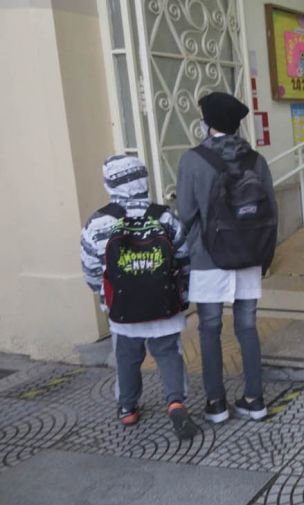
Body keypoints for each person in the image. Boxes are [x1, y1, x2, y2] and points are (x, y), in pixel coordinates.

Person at [80, 155, 198, 440]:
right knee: (169, 353)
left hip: (123, 310)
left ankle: (128, 407)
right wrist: (182, 296)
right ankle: (175, 402)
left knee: (127, 357)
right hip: (163, 306)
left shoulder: (99, 221)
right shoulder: (164, 215)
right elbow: (184, 260)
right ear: (144, 179)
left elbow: (90, 267)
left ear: (110, 183)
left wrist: (105, 297)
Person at [176, 92, 277, 423]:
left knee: (209, 327)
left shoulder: (192, 160)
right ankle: (254, 399)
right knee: (247, 325)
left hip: (209, 257)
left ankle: (216, 404)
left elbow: (186, 212)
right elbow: (271, 210)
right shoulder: (256, 160)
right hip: (248, 254)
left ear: (208, 124)